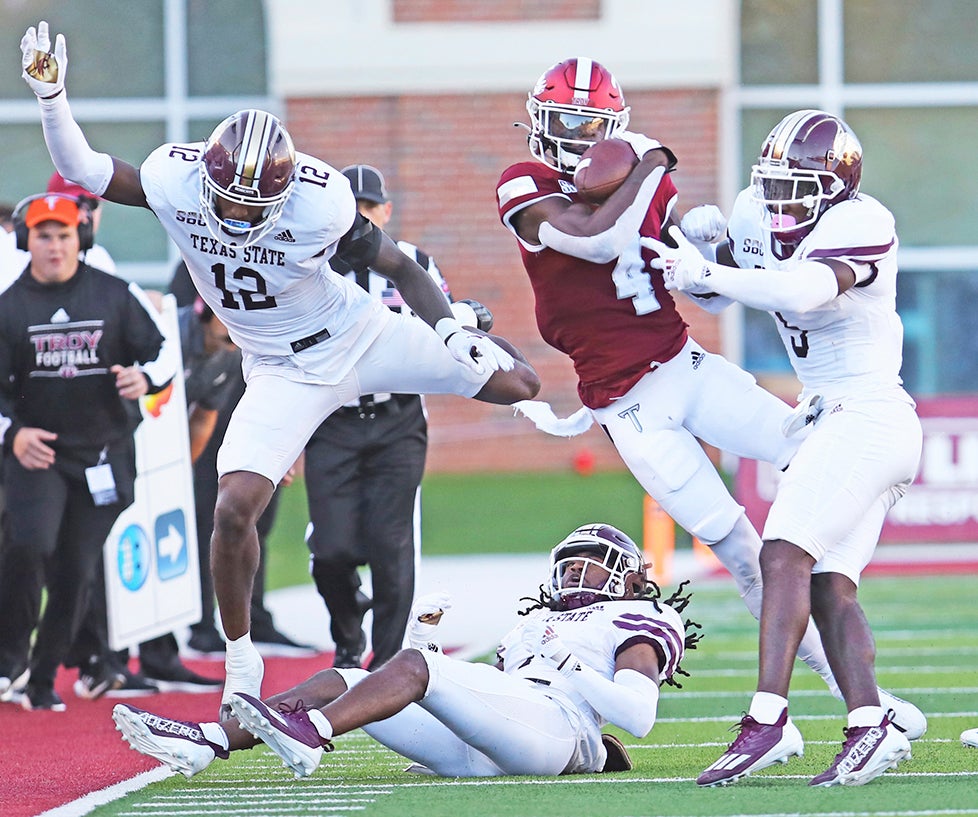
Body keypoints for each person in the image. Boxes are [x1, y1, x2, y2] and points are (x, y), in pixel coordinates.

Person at [21, 21, 540, 716]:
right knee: (233, 510)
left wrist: (448, 326)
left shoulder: (318, 200)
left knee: (517, 381)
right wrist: (51, 96)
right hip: (277, 369)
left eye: (252, 205)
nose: (237, 216)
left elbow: (394, 264)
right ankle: (241, 662)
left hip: (358, 337)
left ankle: (500, 347)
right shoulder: (176, 179)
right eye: (228, 201)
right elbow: (86, 169)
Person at [497, 58, 925, 740]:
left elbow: (699, 285)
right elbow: (596, 235)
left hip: (686, 364)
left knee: (822, 448)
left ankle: (853, 652)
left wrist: (702, 248)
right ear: (539, 121)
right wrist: (651, 165)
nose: (578, 139)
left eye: (590, 126)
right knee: (747, 551)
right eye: (566, 123)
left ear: (612, 126)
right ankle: (829, 697)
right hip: (627, 406)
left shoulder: (639, 175)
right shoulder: (528, 183)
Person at [647, 109, 921, 786]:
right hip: (837, 416)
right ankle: (870, 726)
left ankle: (767, 718)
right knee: (828, 587)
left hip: (869, 413)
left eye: (795, 187)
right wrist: (704, 255)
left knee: (782, 552)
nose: (776, 201)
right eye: (771, 185)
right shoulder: (755, 209)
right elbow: (720, 297)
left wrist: (706, 271)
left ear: (836, 187)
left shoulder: (862, 222)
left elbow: (801, 288)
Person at [112, 523, 700, 779]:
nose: (574, 576)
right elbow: (480, 700)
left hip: (559, 731)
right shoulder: (536, 623)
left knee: (418, 669)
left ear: (624, 578)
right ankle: (211, 741)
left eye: (588, 567)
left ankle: (310, 732)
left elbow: (639, 718)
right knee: (344, 676)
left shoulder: (637, 617)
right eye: (568, 566)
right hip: (491, 745)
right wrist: (423, 641)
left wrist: (568, 665)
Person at [306, 164, 490, 670]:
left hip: (397, 419)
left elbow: (446, 318)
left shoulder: (413, 262)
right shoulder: (311, 263)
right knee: (331, 549)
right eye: (353, 207)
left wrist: (469, 318)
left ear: (385, 211)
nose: (362, 217)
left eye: (370, 207)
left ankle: (386, 662)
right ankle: (347, 632)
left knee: (391, 544)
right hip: (332, 418)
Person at [0, 192, 174, 710]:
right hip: (39, 453)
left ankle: (42, 678)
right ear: (26, 241)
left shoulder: (116, 294)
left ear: (82, 238)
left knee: (75, 569)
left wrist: (144, 378)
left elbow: (164, 350)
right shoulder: (9, 306)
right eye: (44, 236)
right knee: (30, 545)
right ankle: (10, 657)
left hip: (104, 455)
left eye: (64, 235)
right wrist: (12, 435)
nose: (54, 247)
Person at [169, 261, 316, 659]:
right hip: (213, 404)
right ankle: (200, 622)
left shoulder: (281, 253)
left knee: (259, 517)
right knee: (208, 515)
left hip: (265, 401)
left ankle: (255, 617)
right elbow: (184, 327)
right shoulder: (196, 251)